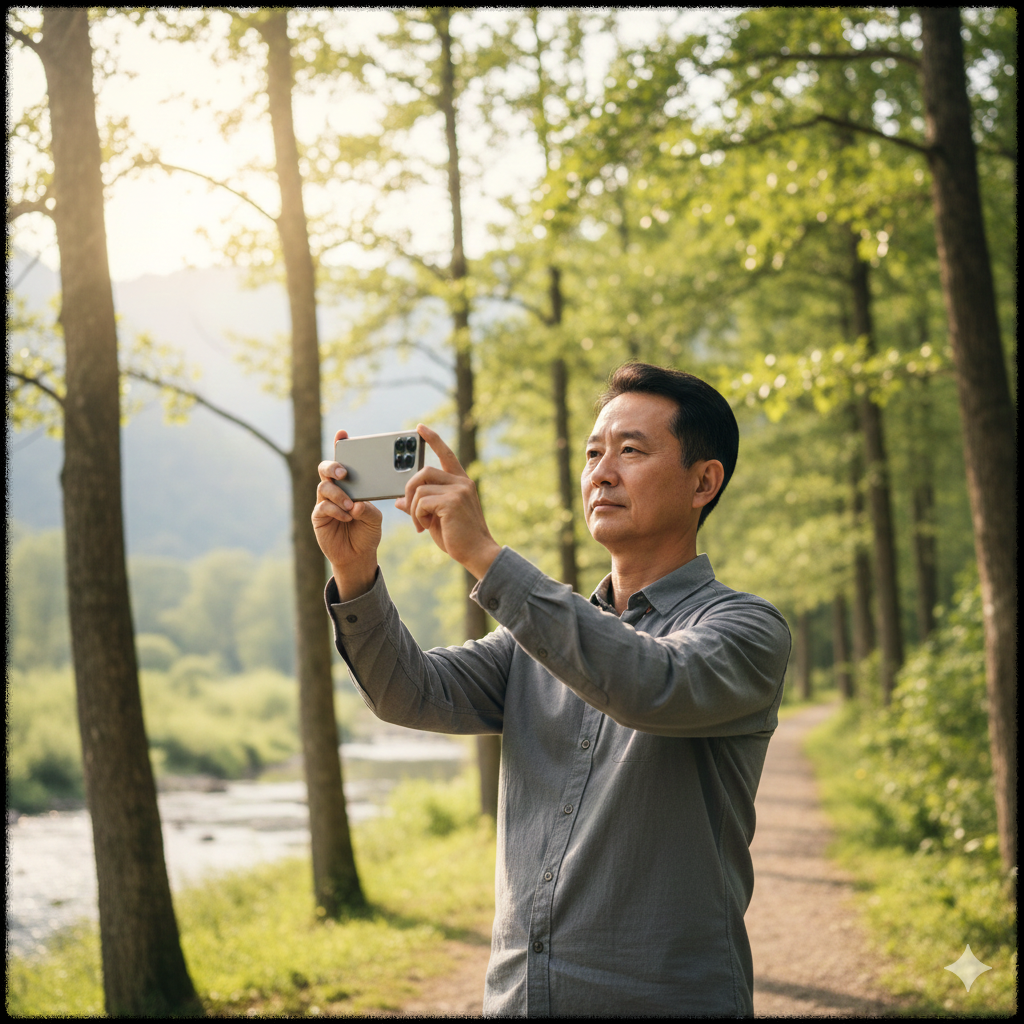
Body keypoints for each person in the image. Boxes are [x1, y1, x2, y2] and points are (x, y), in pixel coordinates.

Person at [313, 362, 791, 1017]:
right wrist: (354, 571)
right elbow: (410, 693)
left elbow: (650, 684)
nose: (602, 470)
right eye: (594, 452)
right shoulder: (535, 639)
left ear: (703, 481)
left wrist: (485, 555)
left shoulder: (745, 628)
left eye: (631, 450)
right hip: (521, 1000)